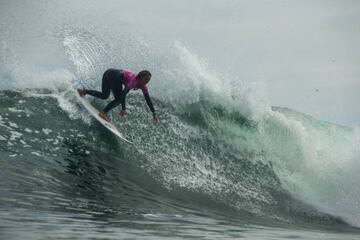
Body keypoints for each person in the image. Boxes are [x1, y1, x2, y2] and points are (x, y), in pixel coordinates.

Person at [78, 68, 159, 123]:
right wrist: (123, 108)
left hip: (109, 72)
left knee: (104, 95)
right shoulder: (133, 81)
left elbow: (148, 100)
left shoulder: (143, 86)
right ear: (140, 77)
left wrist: (154, 114)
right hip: (115, 76)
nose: (147, 81)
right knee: (119, 99)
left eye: (149, 80)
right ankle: (103, 113)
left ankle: (83, 92)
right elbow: (123, 94)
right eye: (146, 79)